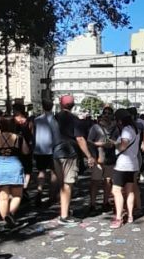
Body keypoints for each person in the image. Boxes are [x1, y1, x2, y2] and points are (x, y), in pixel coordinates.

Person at [53, 95, 94, 225]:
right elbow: (80, 139)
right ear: (73, 105)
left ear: (60, 104)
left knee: (62, 184)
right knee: (68, 184)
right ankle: (64, 215)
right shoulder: (74, 120)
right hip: (69, 152)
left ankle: (64, 210)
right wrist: (89, 156)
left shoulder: (55, 118)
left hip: (56, 152)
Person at [0, 116, 29, 228]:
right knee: (17, 195)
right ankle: (10, 214)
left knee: (2, 197)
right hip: (14, 165)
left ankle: (6, 220)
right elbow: (26, 151)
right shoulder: (18, 137)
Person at [110, 109, 140, 229]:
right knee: (130, 190)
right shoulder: (135, 129)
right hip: (133, 163)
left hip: (123, 164)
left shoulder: (126, 130)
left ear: (120, 120)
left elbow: (123, 146)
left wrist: (114, 143)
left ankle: (118, 217)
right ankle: (131, 216)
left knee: (116, 191)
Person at [32, 99, 59, 206]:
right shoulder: (54, 120)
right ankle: (52, 195)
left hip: (39, 149)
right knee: (54, 172)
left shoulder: (37, 120)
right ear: (52, 107)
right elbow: (56, 136)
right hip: (52, 149)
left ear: (42, 107)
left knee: (41, 171)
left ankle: (39, 190)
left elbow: (33, 135)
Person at [87, 113, 116, 213]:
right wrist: (101, 144)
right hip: (98, 158)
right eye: (105, 115)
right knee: (95, 181)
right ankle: (92, 203)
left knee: (108, 181)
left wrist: (113, 143)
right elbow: (89, 141)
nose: (106, 118)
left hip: (110, 158)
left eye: (108, 115)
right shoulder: (95, 128)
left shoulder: (115, 128)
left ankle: (105, 202)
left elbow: (118, 142)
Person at [13, 106, 34, 196]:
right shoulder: (15, 123)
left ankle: (24, 187)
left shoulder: (28, 123)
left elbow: (32, 135)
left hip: (26, 148)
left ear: (20, 114)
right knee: (21, 168)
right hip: (18, 148)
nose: (14, 115)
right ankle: (21, 187)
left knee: (27, 169)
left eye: (15, 113)